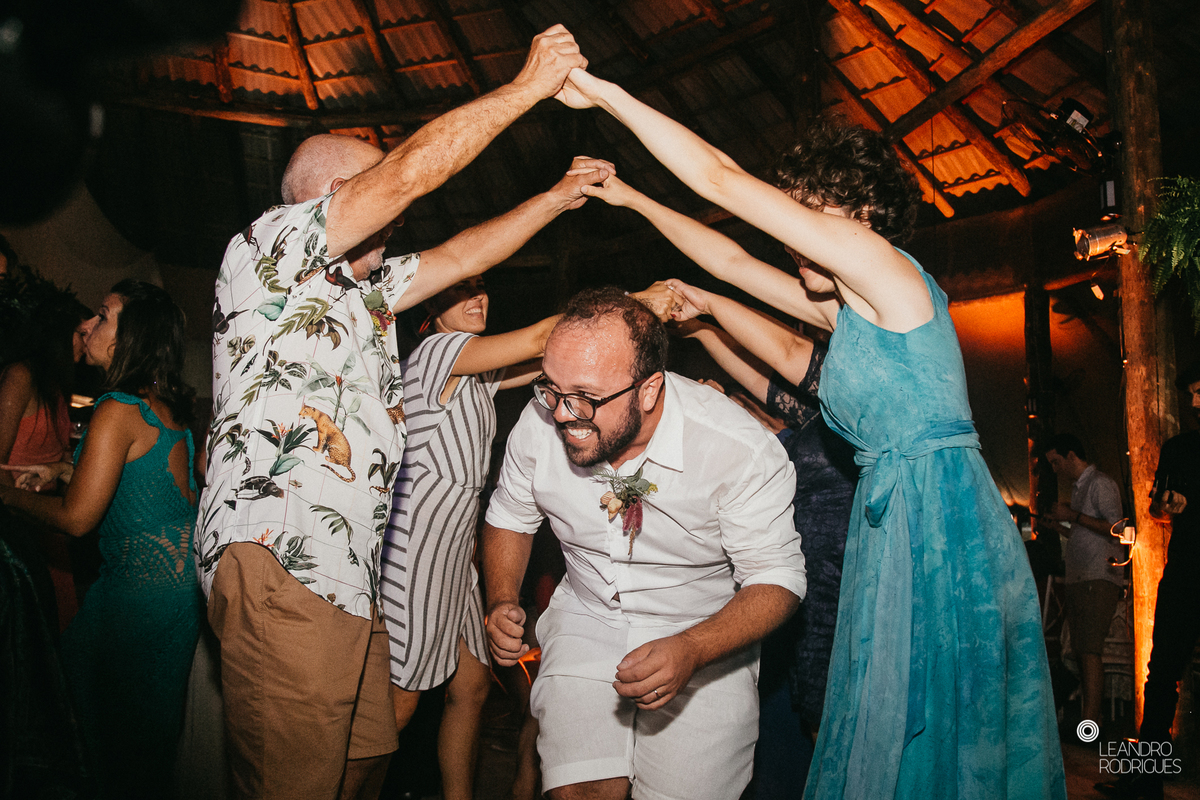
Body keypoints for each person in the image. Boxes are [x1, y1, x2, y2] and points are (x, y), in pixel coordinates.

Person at [557, 70, 1065, 798]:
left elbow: (722, 179)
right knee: (883, 720)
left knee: (939, 719)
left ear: (858, 214)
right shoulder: (857, 312)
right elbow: (733, 268)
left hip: (938, 518)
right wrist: (635, 200)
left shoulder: (883, 268)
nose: (796, 238)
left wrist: (601, 92)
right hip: (892, 517)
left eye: (809, 216)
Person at [195, 25, 601, 800]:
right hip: (283, 558)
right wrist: (526, 87)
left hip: (351, 576)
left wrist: (557, 197)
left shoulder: (364, 292)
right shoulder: (270, 247)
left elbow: (462, 256)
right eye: (372, 187)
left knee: (364, 765)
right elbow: (413, 173)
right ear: (329, 196)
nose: (397, 210)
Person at [483, 287, 805, 800]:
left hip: (705, 635)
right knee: (578, 791)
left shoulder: (736, 449)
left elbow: (778, 579)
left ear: (650, 388)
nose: (563, 414)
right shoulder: (540, 422)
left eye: (585, 397)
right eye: (552, 389)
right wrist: (501, 599)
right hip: (587, 619)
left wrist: (694, 648)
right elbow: (509, 516)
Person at [379, 272, 671, 800]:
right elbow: (545, 341)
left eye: (483, 288)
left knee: (469, 685)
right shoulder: (434, 353)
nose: (478, 297)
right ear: (430, 311)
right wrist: (631, 308)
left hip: (456, 549)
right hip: (418, 547)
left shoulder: (477, 374)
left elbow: (554, 366)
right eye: (458, 289)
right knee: (399, 702)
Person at [0, 279, 201, 799]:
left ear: (130, 337)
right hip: (178, 598)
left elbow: (76, 520)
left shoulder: (114, 407)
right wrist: (61, 467)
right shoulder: (164, 405)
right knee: (144, 751)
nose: (87, 325)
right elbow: (136, 478)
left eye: (103, 316)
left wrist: (5, 495)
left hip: (132, 601)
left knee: (77, 728)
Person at [1098, 363, 1200, 800]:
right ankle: (1147, 779)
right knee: (1160, 675)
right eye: (1191, 393)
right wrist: (1168, 506)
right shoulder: (1178, 449)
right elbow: (1158, 508)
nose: (1194, 402)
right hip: (1184, 571)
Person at [1042, 432, 1124, 735]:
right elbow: (1087, 534)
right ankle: (1090, 719)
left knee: (1089, 650)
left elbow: (1117, 529)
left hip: (1098, 577)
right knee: (1080, 650)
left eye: (1056, 461)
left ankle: (1091, 725)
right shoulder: (1081, 488)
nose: (1055, 468)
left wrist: (1073, 516)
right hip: (1081, 576)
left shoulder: (1100, 483)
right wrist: (1063, 526)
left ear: (1072, 456)